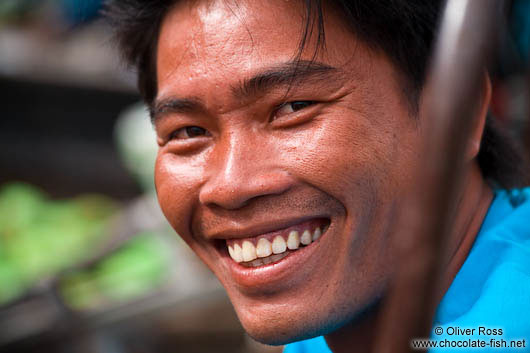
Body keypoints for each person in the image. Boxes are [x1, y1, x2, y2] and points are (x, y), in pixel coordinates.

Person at [105, 1, 530, 352]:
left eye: (292, 107)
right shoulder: (341, 307)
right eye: (188, 132)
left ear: (459, 116)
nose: (229, 186)